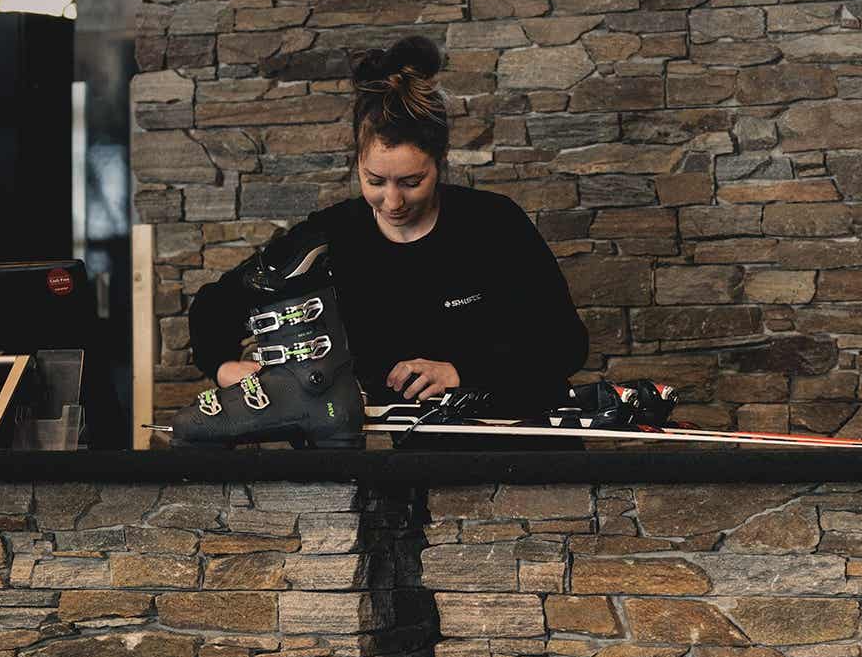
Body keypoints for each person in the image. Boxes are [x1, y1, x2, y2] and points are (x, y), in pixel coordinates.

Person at [187, 35, 588, 416]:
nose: (393, 202)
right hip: (404, 450)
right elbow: (214, 308)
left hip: (516, 442)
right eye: (375, 181)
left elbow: (566, 344)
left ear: (439, 162)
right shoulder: (331, 236)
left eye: (412, 182)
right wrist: (225, 368)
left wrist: (460, 371)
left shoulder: (493, 224)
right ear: (358, 163)